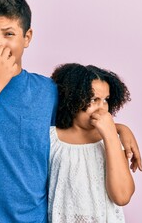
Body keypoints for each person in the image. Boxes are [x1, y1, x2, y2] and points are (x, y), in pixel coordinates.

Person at [0, 0, 142, 222]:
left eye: (9, 33)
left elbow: (75, 131)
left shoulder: (48, 91)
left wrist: (120, 128)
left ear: (27, 37)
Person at [48, 63, 136, 222]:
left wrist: (110, 134)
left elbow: (122, 197)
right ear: (71, 99)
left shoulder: (112, 139)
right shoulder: (51, 139)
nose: (102, 108)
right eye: (94, 99)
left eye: (106, 100)